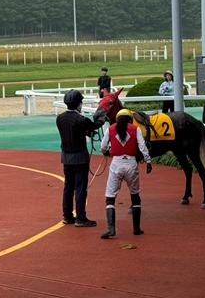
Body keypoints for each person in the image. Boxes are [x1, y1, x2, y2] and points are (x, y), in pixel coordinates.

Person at [55, 89, 105, 227]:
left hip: (66, 157)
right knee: (80, 188)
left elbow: (76, 130)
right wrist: (101, 119)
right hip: (80, 158)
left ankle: (67, 216)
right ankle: (81, 218)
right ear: (79, 104)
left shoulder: (59, 118)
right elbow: (94, 125)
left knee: (68, 187)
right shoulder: (81, 119)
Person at [99, 108, 152, 239]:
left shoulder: (110, 129)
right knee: (135, 196)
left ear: (117, 119)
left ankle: (111, 229)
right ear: (130, 119)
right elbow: (142, 147)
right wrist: (148, 161)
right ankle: (136, 228)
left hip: (116, 164)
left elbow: (103, 146)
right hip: (131, 164)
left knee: (110, 198)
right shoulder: (135, 129)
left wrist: (106, 152)